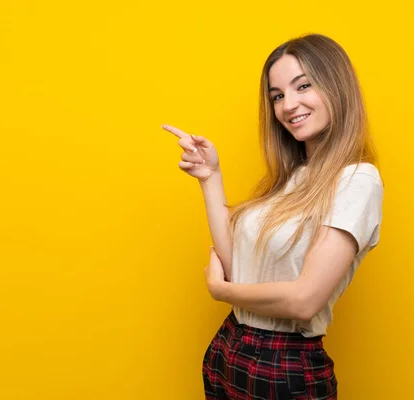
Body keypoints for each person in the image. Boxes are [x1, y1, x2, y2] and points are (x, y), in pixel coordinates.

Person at [163, 33, 383, 400]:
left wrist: (222, 291)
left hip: (282, 365)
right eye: (277, 95)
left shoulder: (357, 179)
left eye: (303, 86)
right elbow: (240, 266)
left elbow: (304, 300)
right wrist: (210, 179)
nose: (288, 105)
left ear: (336, 85)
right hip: (230, 349)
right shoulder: (291, 179)